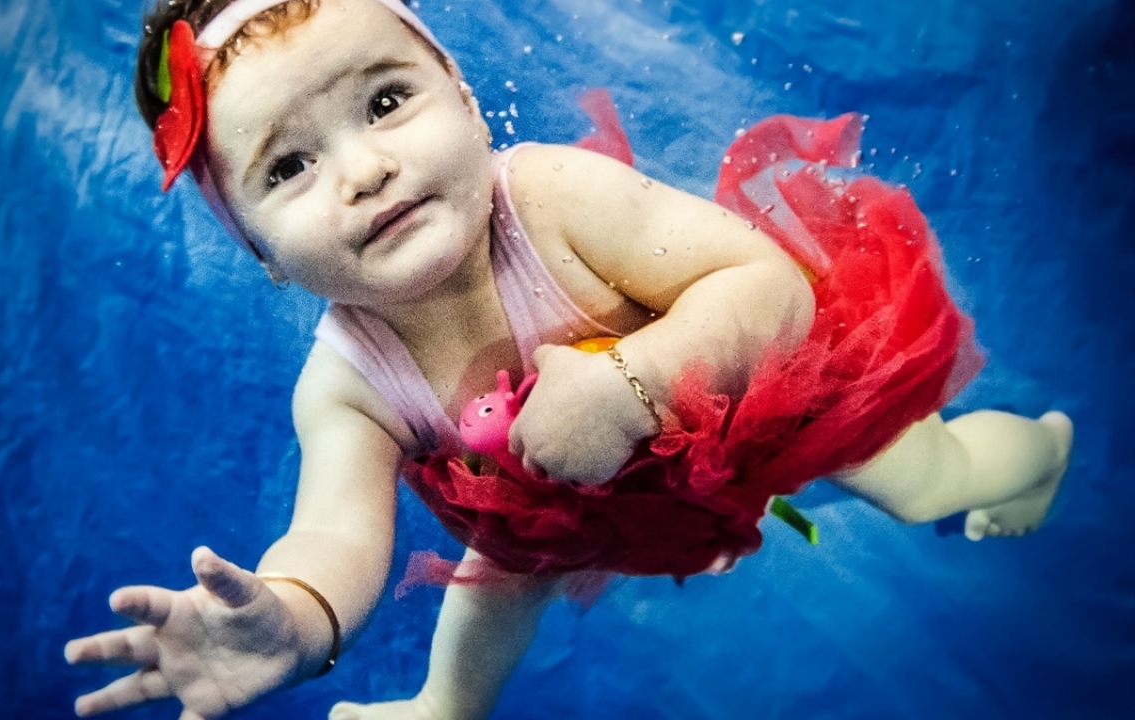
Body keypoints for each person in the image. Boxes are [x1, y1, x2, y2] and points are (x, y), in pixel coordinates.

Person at [63, 1, 1074, 718]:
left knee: (917, 480)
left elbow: (768, 289)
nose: (364, 170)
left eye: (383, 104)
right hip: (578, 503)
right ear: (261, 255)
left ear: (460, 98)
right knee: (499, 575)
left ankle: (1031, 454)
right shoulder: (345, 384)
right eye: (289, 166)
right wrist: (293, 620)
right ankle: (441, 709)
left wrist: (631, 385)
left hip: (748, 404)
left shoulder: (549, 199)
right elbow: (333, 532)